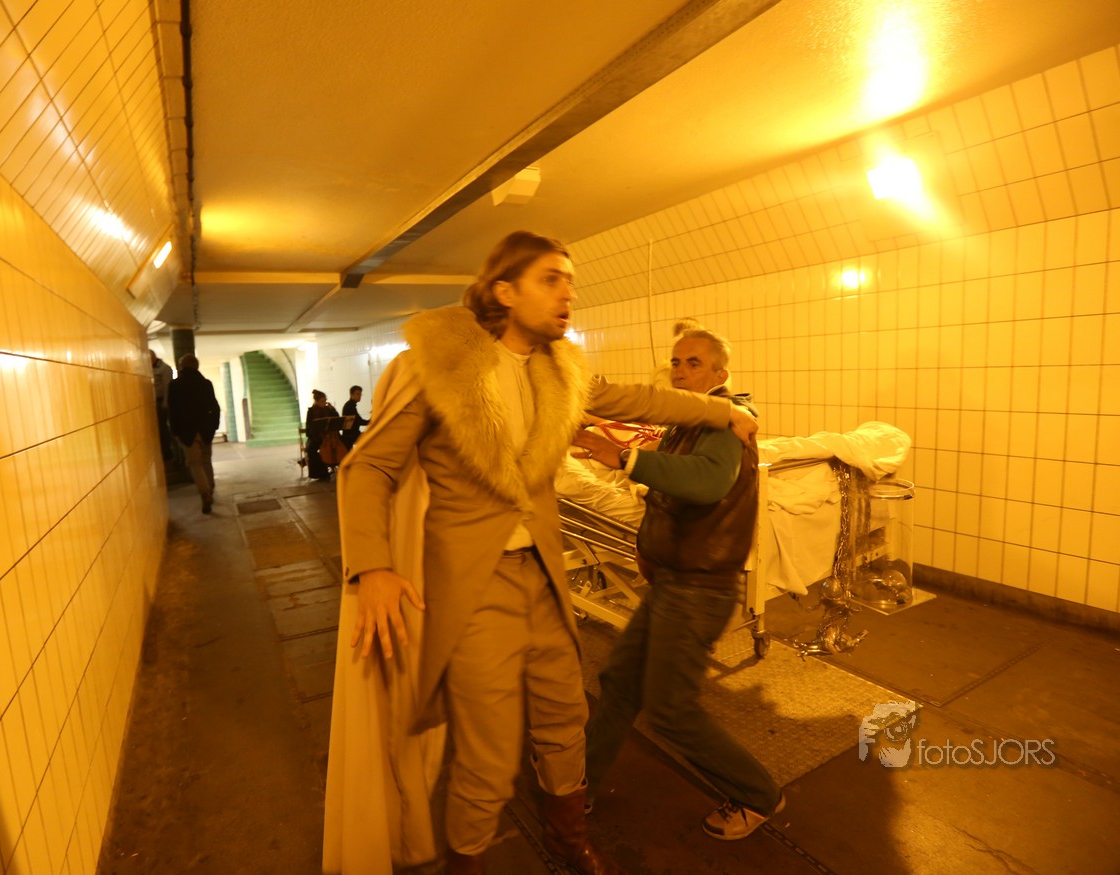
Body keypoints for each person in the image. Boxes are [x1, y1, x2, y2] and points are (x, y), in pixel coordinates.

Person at [324, 231, 758, 875]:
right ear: (505, 290)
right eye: (552, 279)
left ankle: (566, 840)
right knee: (489, 751)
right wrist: (374, 566)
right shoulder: (440, 365)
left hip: (544, 576)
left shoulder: (560, 368)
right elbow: (370, 466)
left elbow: (640, 398)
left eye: (570, 281)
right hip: (477, 586)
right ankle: (466, 863)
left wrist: (721, 413)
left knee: (564, 718)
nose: (567, 294)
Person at [572, 327, 783, 842]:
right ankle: (578, 787)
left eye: (694, 363)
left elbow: (707, 482)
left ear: (720, 374)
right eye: (675, 362)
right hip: (673, 580)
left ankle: (758, 795)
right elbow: (670, 488)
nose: (681, 371)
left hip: (699, 588)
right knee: (620, 683)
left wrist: (624, 457)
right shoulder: (684, 422)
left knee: (670, 711)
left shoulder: (725, 421)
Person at [168, 354, 221, 514]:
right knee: (206, 460)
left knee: (195, 464)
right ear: (197, 366)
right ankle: (210, 488)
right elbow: (214, 407)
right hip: (205, 430)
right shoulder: (205, 384)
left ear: (181, 366)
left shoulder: (175, 385)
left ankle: (205, 493)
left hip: (186, 432)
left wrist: (175, 432)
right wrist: (213, 427)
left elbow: (173, 411)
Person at [304, 390, 341, 479]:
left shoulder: (328, 409)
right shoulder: (311, 411)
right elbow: (309, 429)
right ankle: (321, 473)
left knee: (343, 443)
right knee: (311, 449)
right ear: (316, 401)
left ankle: (341, 467)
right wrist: (317, 436)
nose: (324, 403)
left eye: (325, 401)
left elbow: (337, 419)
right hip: (316, 437)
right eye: (322, 401)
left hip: (330, 436)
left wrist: (333, 409)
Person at [149, 349, 173, 460]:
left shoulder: (164, 368)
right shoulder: (150, 368)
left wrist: (165, 403)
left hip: (160, 401)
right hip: (154, 402)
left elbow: (168, 387)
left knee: (162, 428)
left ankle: (167, 452)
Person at [339, 384, 370, 450]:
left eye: (360, 394)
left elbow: (358, 420)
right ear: (351, 394)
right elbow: (358, 421)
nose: (359, 396)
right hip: (351, 436)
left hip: (352, 434)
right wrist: (371, 421)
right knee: (371, 438)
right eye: (357, 394)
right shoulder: (350, 406)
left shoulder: (350, 405)